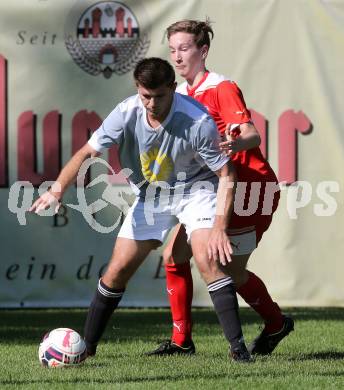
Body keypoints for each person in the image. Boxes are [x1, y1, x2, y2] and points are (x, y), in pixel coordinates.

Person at [30, 57, 253, 362]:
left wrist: (218, 228)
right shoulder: (126, 112)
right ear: (137, 89)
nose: (151, 103)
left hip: (196, 191)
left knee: (206, 258)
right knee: (117, 269)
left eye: (159, 96)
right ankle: (86, 349)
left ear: (173, 89)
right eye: (145, 95)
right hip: (152, 195)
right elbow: (87, 152)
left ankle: (239, 349)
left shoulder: (197, 121)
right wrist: (57, 189)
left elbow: (227, 174)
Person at [147, 20, 294, 357]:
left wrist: (233, 144)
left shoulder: (221, 87)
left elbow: (252, 134)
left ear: (203, 50)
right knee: (174, 255)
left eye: (184, 48)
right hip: (215, 193)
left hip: (249, 189)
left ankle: (276, 323)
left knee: (228, 270)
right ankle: (182, 341)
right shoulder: (179, 94)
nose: (178, 56)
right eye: (172, 50)